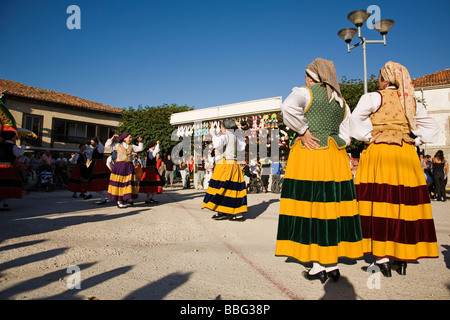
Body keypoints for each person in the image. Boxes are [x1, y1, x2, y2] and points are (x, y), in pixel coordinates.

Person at [275, 57, 363, 283]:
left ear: (312, 76)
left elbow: (287, 107)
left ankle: (317, 266)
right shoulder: (342, 102)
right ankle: (331, 264)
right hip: (335, 157)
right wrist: (337, 143)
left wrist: (303, 131)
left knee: (311, 206)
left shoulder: (305, 93)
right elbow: (347, 132)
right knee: (331, 209)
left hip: (310, 154)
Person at [350, 61, 440, 277]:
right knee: (404, 202)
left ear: (386, 79)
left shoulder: (374, 97)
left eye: (380, 77)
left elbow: (354, 120)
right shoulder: (411, 103)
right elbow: (432, 128)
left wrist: (368, 136)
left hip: (380, 152)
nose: (378, 81)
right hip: (406, 153)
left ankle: (382, 259)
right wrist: (415, 138)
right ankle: (402, 258)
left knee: (380, 202)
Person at [202, 119, 247, 221]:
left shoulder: (226, 135)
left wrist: (213, 134)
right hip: (234, 165)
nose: (221, 129)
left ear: (225, 128)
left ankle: (230, 212)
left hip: (226, 165)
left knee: (222, 188)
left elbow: (217, 144)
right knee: (233, 189)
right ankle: (225, 211)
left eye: (221, 127)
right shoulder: (235, 137)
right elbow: (242, 147)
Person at [105, 132, 143, 208]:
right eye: (129, 137)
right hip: (119, 166)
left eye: (131, 137)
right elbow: (107, 146)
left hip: (128, 166)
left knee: (128, 182)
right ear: (124, 138)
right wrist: (112, 139)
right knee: (119, 183)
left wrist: (140, 142)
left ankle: (128, 197)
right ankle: (119, 201)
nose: (130, 139)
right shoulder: (117, 145)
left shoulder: (131, 146)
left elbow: (140, 148)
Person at [0, 130, 26, 211]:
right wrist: (23, 145)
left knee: (2, 184)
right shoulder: (12, 146)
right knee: (7, 185)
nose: (16, 139)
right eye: (15, 137)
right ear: (11, 138)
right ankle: (1, 204)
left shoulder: (1, 145)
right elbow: (19, 153)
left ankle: (3, 203)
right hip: (8, 167)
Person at [84, 137, 110, 204]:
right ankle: (101, 198)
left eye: (92, 142)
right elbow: (88, 152)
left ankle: (103, 198)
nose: (91, 144)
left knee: (98, 181)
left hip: (98, 165)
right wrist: (87, 146)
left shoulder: (99, 147)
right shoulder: (94, 149)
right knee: (94, 180)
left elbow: (101, 148)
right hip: (94, 164)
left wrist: (98, 140)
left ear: (96, 142)